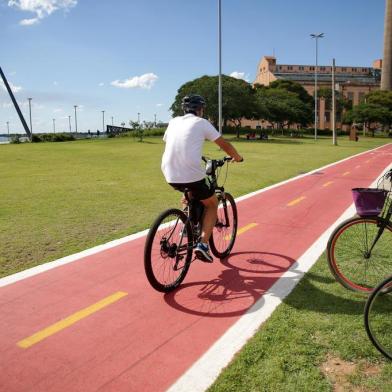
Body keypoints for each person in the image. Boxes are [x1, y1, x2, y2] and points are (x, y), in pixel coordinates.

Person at [161, 94, 243, 263]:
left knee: (188, 193)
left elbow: (172, 142)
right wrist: (237, 157)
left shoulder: (174, 121)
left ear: (184, 109)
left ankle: (187, 225)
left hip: (169, 172)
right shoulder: (202, 123)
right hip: (190, 172)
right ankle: (203, 245)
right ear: (200, 109)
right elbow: (224, 144)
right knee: (212, 204)